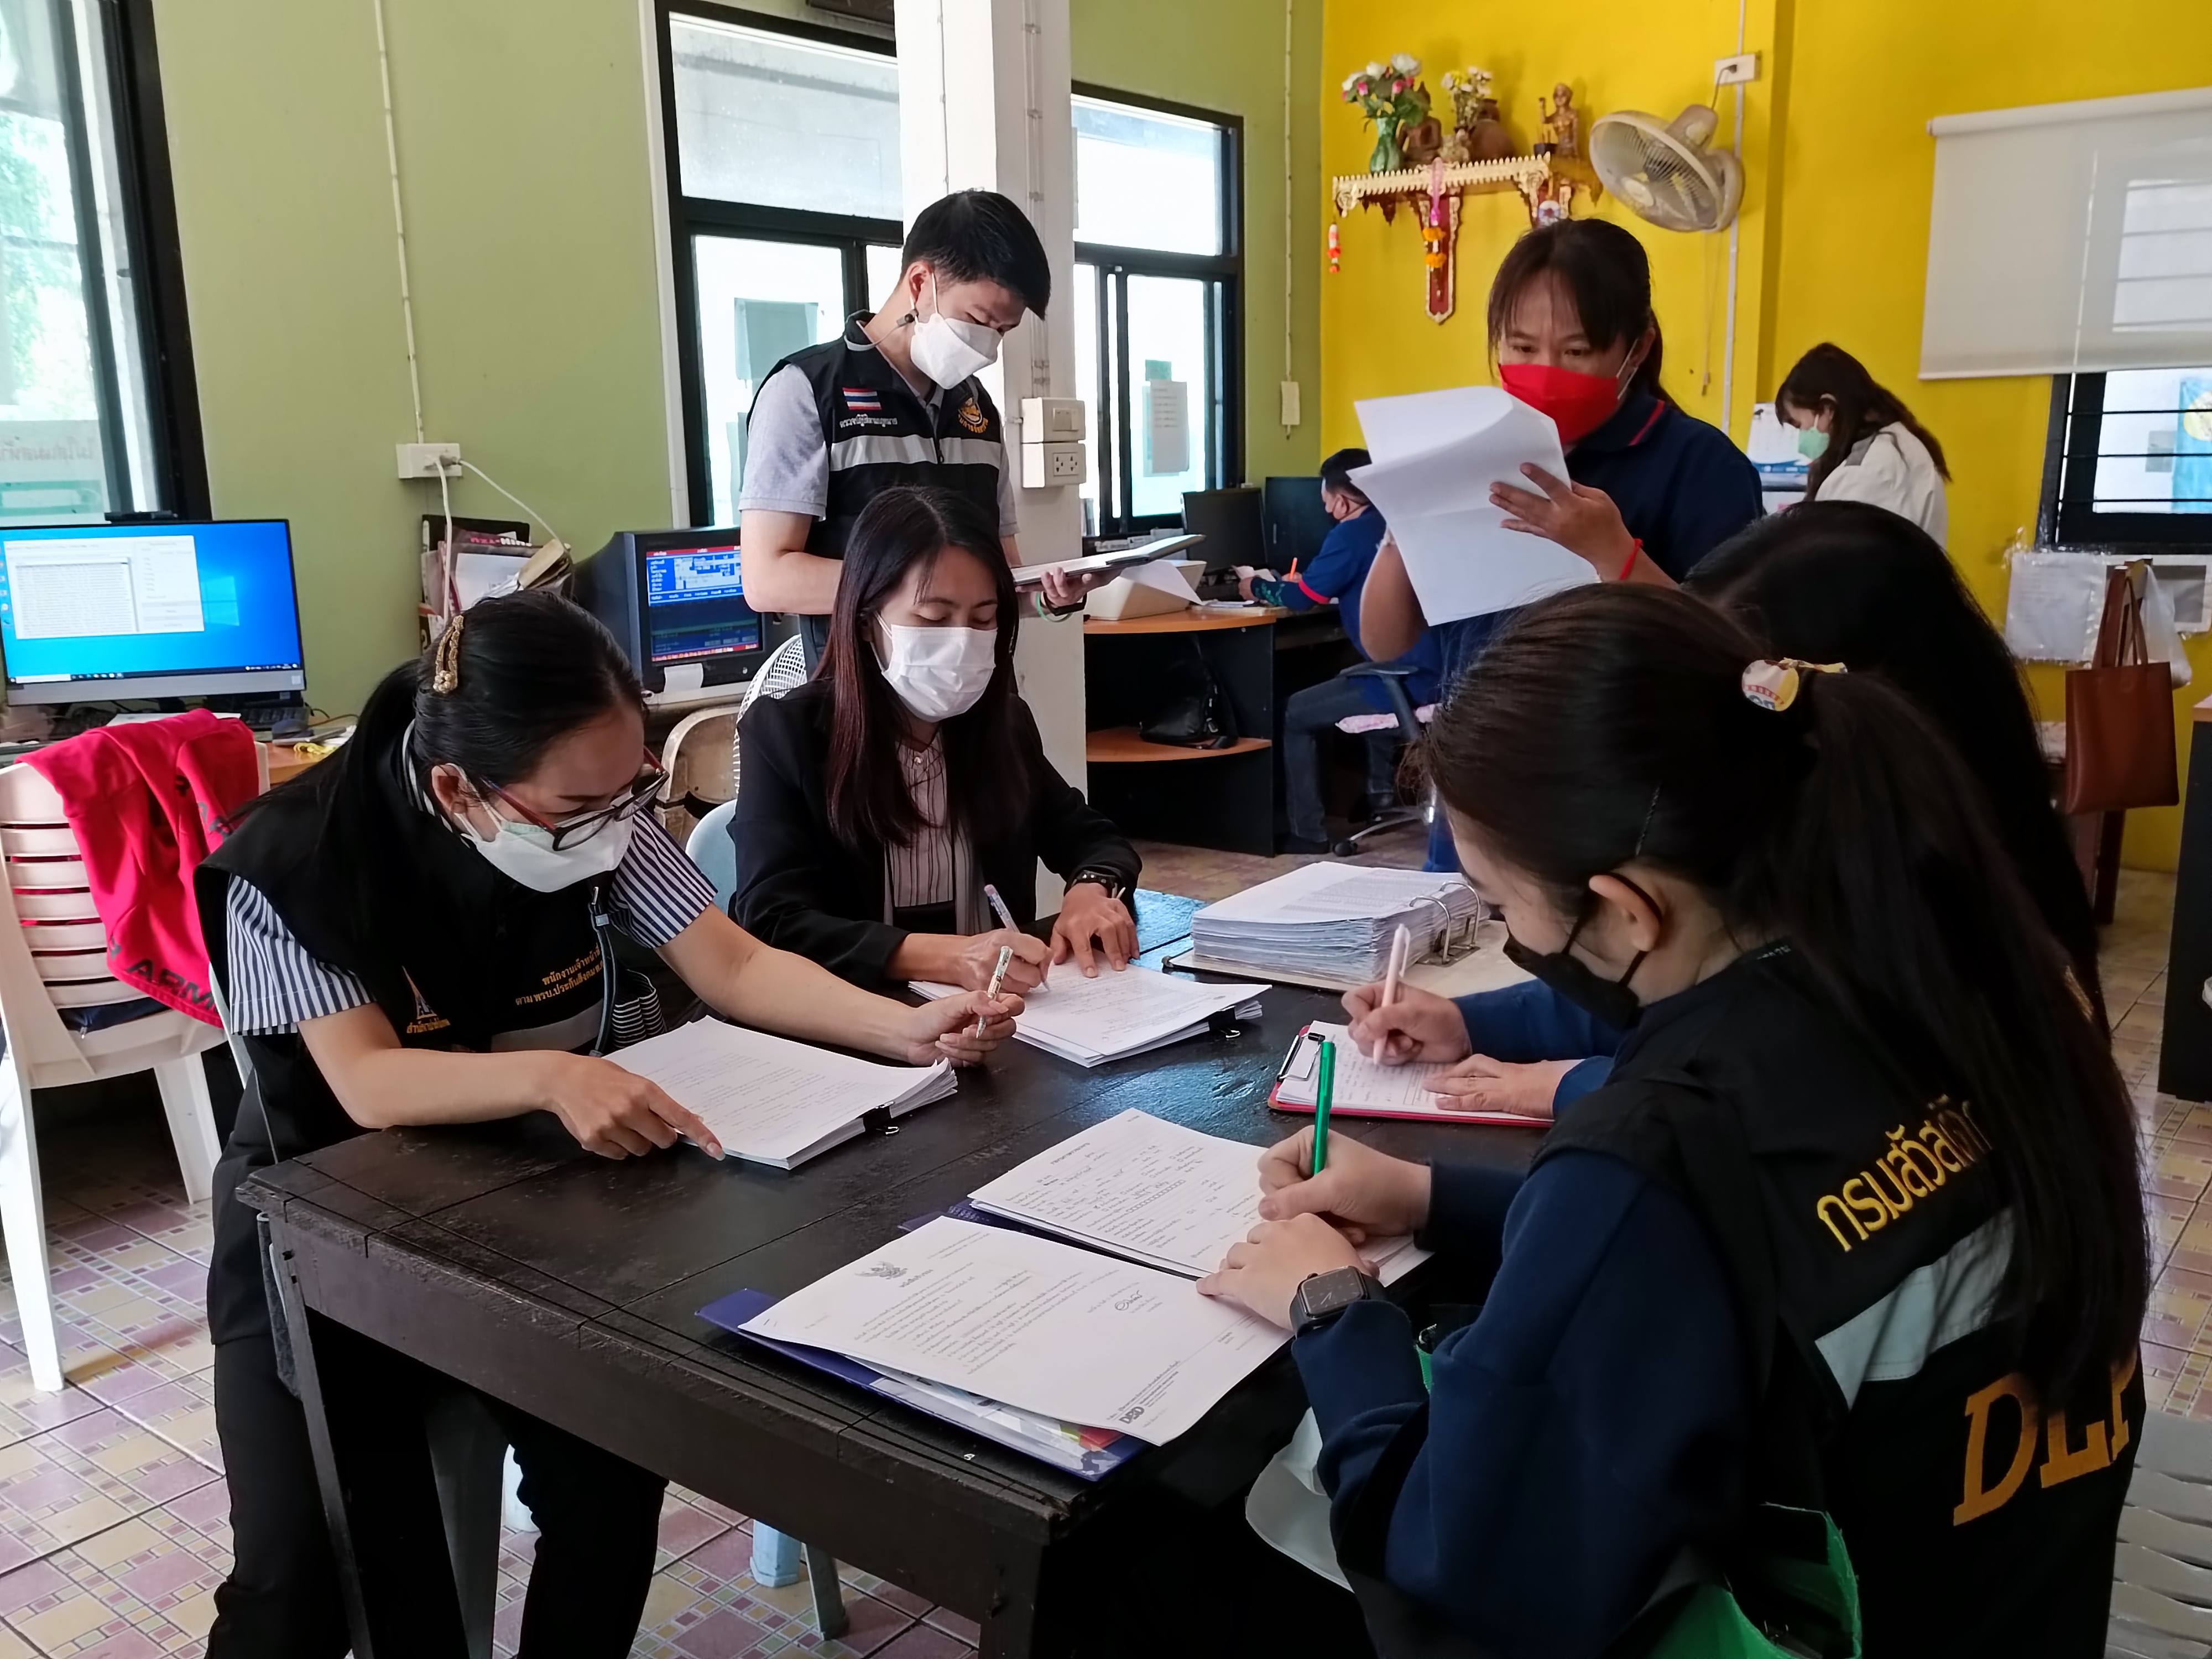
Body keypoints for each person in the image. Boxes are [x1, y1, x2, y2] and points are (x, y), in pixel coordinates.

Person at [1202, 583, 2147, 1658]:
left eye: (1502, 909)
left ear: (1627, 910)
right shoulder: (1955, 983)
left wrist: (1331, 1307)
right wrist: (1429, 1195)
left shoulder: (1660, 1149)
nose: (1511, 940)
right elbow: (1745, 1254)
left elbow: (1468, 1563)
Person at [196, 592, 1016, 1658]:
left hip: (533, 1208)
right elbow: (368, 1084)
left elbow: (733, 965)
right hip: (322, 1232)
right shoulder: (294, 862)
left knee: (612, 1470)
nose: (614, 825)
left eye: (630, 791)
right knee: (303, 1574)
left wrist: (901, 1029)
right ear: (458, 791)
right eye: (583, 805)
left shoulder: (593, 819)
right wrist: (552, 1078)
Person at [1360, 500, 2106, 1118]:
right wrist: (1471, 1021)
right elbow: (1680, 981)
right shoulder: (1808, 835)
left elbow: (1788, 1094)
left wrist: (1575, 1086)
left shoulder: (1937, 907)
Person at [1357, 217, 1763, 867]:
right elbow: (1385, 641)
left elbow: (1739, 659)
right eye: (1521, 346)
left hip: (1613, 812)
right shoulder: (1468, 448)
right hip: (1476, 800)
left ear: (1636, 348)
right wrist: (1405, 517)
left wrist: (1613, 552)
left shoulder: (1699, 464)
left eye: (1576, 352)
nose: (1545, 372)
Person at [733, 486, 1141, 995]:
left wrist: (1090, 890)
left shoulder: (1004, 726)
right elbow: (773, 921)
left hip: (1000, 1015)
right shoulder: (784, 734)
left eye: (983, 619)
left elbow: (1094, 840)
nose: (962, 640)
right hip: (859, 1015)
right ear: (866, 621)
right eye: (933, 619)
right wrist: (949, 957)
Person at [738, 189, 1097, 666]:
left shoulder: (977, 409)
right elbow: (767, 579)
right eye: (979, 320)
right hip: (859, 695)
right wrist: (923, 589)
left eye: (1003, 332)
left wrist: (1050, 597)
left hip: (977, 689)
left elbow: (1000, 578)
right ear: (920, 282)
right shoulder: (806, 391)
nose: (989, 348)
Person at [1240, 449, 1442, 853]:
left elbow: (1304, 598)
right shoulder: (1399, 523)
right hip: (1441, 668)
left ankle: (1307, 833)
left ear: (1343, 501)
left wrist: (1257, 586)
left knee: (1295, 712)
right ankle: (1378, 797)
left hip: (1406, 675)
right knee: (1347, 674)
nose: (1326, 508)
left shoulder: (1349, 535)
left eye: (1327, 500)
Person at [1777, 341, 1951, 544]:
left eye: (1798, 425)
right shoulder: (1899, 444)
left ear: (1827, 409)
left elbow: (1837, 556)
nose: (1801, 437)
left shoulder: (1867, 472)